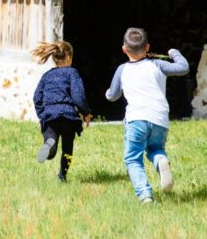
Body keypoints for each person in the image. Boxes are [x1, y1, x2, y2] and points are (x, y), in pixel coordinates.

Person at [106, 27, 189, 203]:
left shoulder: (122, 70)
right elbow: (183, 68)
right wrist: (174, 52)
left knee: (133, 160)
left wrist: (107, 93)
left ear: (124, 49)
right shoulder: (157, 64)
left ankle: (145, 195)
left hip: (136, 119)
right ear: (148, 47)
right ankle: (160, 162)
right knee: (155, 149)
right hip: (160, 119)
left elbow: (113, 96)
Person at [32, 41, 92, 182]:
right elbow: (78, 96)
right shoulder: (72, 73)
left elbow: (37, 97)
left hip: (50, 115)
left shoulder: (47, 76)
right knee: (67, 148)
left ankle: (49, 146)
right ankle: (62, 176)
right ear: (69, 57)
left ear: (54, 58)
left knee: (51, 144)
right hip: (68, 116)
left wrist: (42, 115)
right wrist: (86, 112)